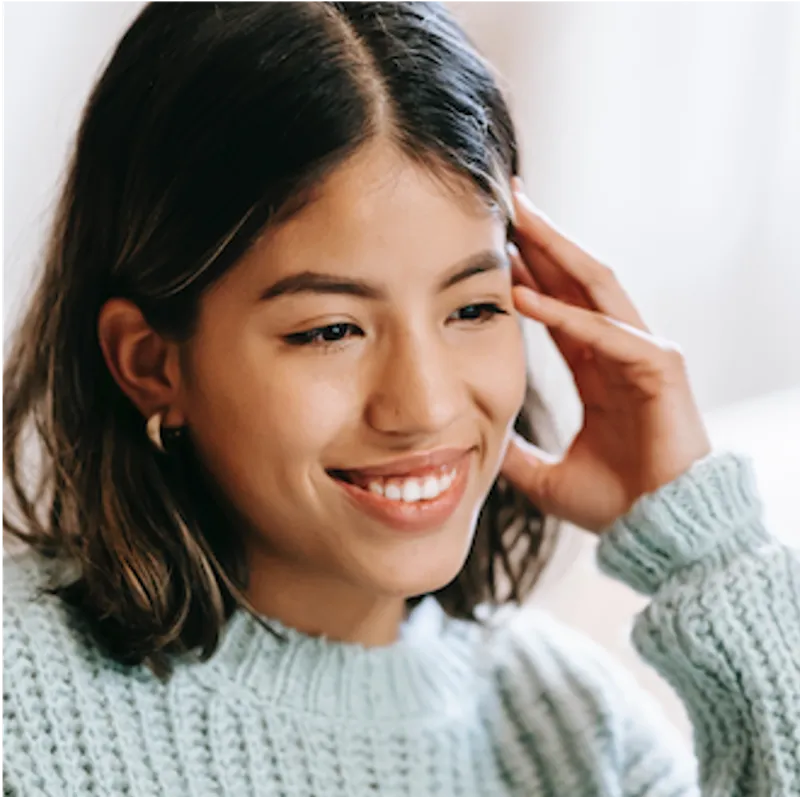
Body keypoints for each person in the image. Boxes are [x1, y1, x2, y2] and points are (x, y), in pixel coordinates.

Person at [2, 1, 798, 794]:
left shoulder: (581, 734)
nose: (423, 406)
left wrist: (710, 552)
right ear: (151, 363)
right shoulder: (21, 698)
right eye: (331, 330)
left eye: (474, 308)